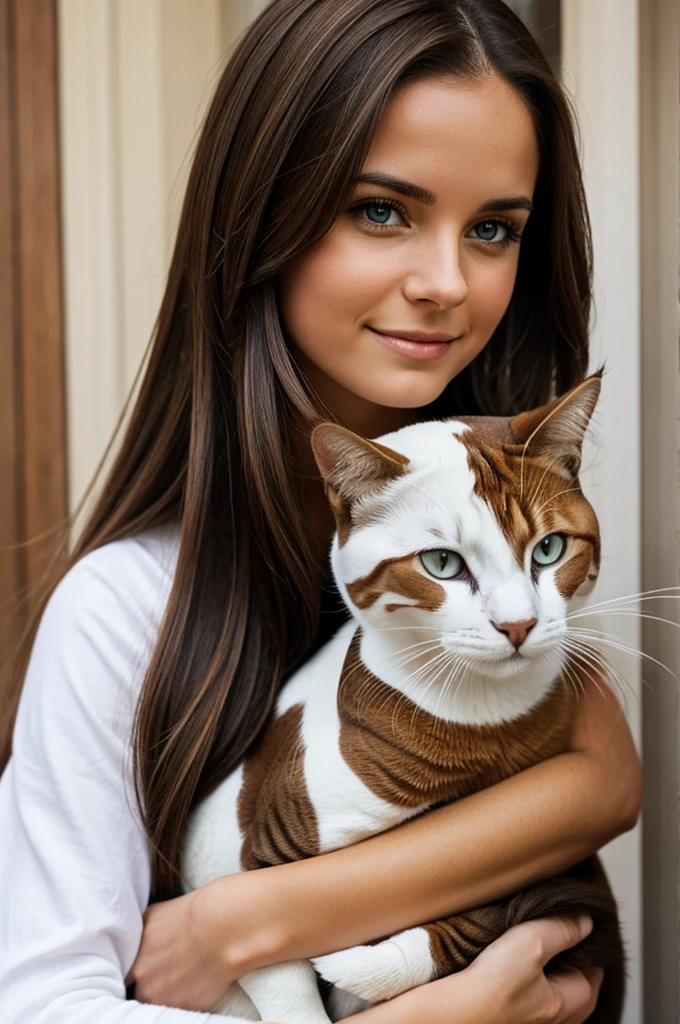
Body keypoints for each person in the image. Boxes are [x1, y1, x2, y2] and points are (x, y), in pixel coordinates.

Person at [0, 1, 641, 1022]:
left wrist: (242, 920)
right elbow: (43, 1007)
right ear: (260, 214)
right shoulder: (124, 608)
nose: (445, 283)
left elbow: (606, 777)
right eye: (381, 209)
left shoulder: (510, 548)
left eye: (492, 229)